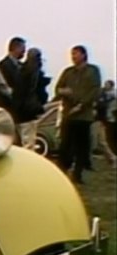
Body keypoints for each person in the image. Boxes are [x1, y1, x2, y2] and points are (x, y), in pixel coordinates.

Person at [55, 45, 102, 184]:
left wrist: (81, 105)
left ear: (83, 55)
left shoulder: (93, 71)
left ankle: (78, 174)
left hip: (83, 116)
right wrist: (63, 92)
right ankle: (62, 172)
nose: (73, 57)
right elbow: (58, 88)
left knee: (82, 147)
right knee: (65, 145)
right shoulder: (68, 72)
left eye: (75, 54)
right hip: (68, 115)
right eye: (72, 54)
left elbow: (95, 90)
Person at [0, 37, 26, 143]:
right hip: (9, 109)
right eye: (23, 48)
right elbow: (2, 88)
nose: (24, 51)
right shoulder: (2, 66)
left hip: (21, 111)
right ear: (15, 48)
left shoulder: (22, 66)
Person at [19, 48, 48, 149]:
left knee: (23, 140)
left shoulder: (21, 70)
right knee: (29, 141)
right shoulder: (35, 72)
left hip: (21, 110)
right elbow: (40, 92)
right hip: (31, 110)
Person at [93, 79, 117, 167]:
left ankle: (113, 158)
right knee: (100, 141)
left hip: (102, 121)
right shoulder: (102, 94)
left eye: (107, 84)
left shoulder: (111, 97)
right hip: (101, 120)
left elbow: (102, 107)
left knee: (102, 141)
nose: (105, 86)